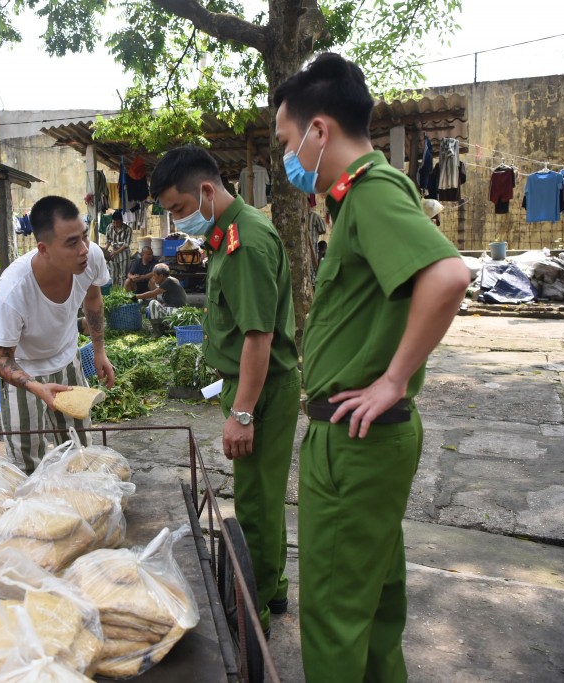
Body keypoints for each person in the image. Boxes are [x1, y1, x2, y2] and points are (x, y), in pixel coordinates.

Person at [273, 52, 470, 682]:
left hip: (354, 441)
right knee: (376, 605)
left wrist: (391, 379)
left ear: (320, 130)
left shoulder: (373, 192)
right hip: (371, 441)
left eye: (286, 141)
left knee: (333, 615)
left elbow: (448, 275)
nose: (287, 157)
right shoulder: (365, 196)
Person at [150, 144, 300, 637]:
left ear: (207, 191)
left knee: (254, 506)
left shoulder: (245, 243)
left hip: (261, 388)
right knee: (263, 495)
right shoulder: (227, 234)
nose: (176, 221)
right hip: (253, 384)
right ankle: (272, 586)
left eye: (178, 209)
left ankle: (251, 616)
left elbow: (259, 337)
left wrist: (242, 413)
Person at [0, 196, 115, 473]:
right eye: (71, 243)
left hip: (68, 360)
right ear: (43, 249)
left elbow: (93, 299)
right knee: (28, 460)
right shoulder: (13, 290)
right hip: (26, 372)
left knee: (80, 452)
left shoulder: (91, 257)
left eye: (85, 237)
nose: (83, 250)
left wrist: (99, 350)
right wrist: (37, 387)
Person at [132, 262, 187, 336]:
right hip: (173, 310)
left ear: (161, 276)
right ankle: (163, 328)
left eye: (154, 275)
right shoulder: (168, 281)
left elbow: (153, 293)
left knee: (153, 303)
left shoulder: (169, 281)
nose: (153, 277)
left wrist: (136, 296)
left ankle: (158, 332)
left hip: (177, 313)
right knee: (150, 309)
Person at [103, 210, 131, 286]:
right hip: (112, 254)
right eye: (114, 222)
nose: (115, 224)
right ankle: (114, 292)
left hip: (124, 254)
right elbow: (109, 240)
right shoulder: (109, 227)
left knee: (123, 275)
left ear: (121, 221)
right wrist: (104, 250)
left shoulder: (128, 229)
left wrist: (116, 252)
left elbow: (126, 244)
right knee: (113, 274)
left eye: (117, 222)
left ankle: (123, 293)